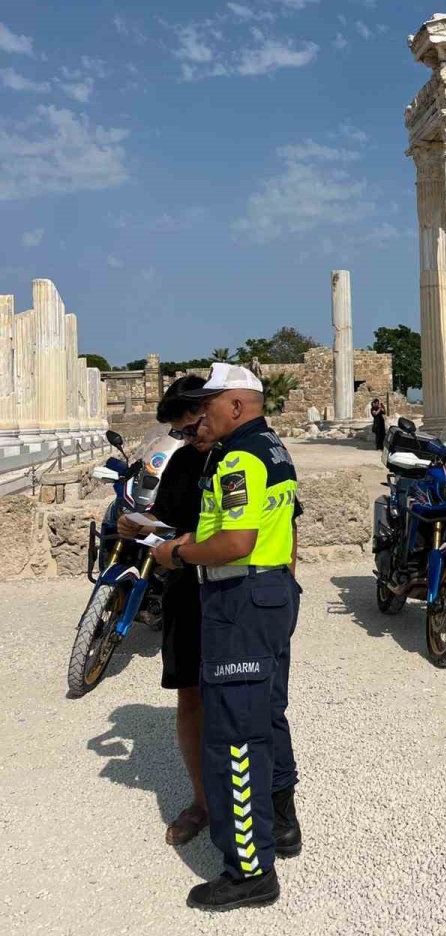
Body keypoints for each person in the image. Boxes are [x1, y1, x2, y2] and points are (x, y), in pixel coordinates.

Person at [152, 363, 301, 912]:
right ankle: (282, 827)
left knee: (234, 736)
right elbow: (270, 531)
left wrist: (178, 552)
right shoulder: (273, 448)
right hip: (270, 593)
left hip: (239, 600)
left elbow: (237, 541)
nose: (203, 412)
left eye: (211, 401)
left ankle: (249, 871)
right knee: (267, 715)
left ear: (237, 405)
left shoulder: (238, 458)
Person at [117, 375, 211, 847]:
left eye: (190, 426)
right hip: (185, 594)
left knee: (250, 704)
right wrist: (140, 527)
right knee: (189, 697)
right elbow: (170, 519)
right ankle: (202, 801)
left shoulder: (248, 459)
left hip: (234, 600)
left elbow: (279, 527)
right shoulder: (178, 464)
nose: (187, 437)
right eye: (180, 432)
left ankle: (271, 803)